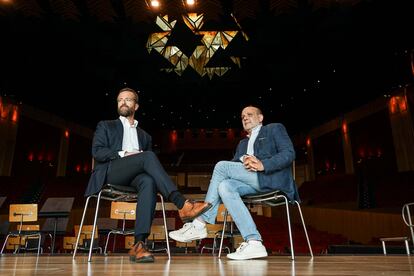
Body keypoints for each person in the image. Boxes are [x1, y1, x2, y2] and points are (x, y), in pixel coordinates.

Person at [84, 87, 212, 263]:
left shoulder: (145, 136)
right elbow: (97, 152)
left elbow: (148, 166)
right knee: (148, 156)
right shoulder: (106, 125)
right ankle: (181, 203)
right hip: (111, 172)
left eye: (128, 99)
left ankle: (139, 244)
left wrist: (138, 158)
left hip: (134, 177)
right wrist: (124, 154)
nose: (123, 102)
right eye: (120, 99)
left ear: (136, 106)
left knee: (149, 181)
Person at [169, 105, 298, 260]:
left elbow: (289, 153)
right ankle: (254, 241)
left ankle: (200, 223)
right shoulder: (242, 144)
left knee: (221, 166)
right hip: (251, 183)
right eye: (243, 116)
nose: (245, 118)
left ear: (261, 118)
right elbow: (231, 171)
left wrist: (263, 164)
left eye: (249, 114)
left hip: (271, 179)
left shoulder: (274, 129)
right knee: (224, 186)